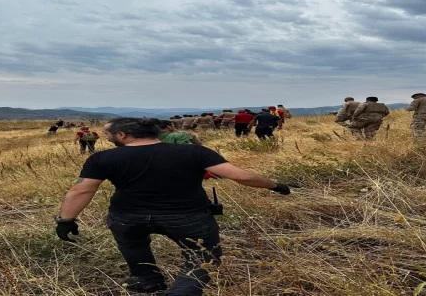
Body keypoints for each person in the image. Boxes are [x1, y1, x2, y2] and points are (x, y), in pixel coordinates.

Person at [55, 118, 291, 295]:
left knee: (132, 244)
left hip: (127, 217)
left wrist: (66, 220)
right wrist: (275, 186)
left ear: (123, 135)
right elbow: (242, 176)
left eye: (109, 135)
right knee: (202, 257)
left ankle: (148, 280)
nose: (107, 139)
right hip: (188, 217)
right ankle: (183, 290)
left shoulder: (102, 159)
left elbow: (82, 190)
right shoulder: (194, 151)